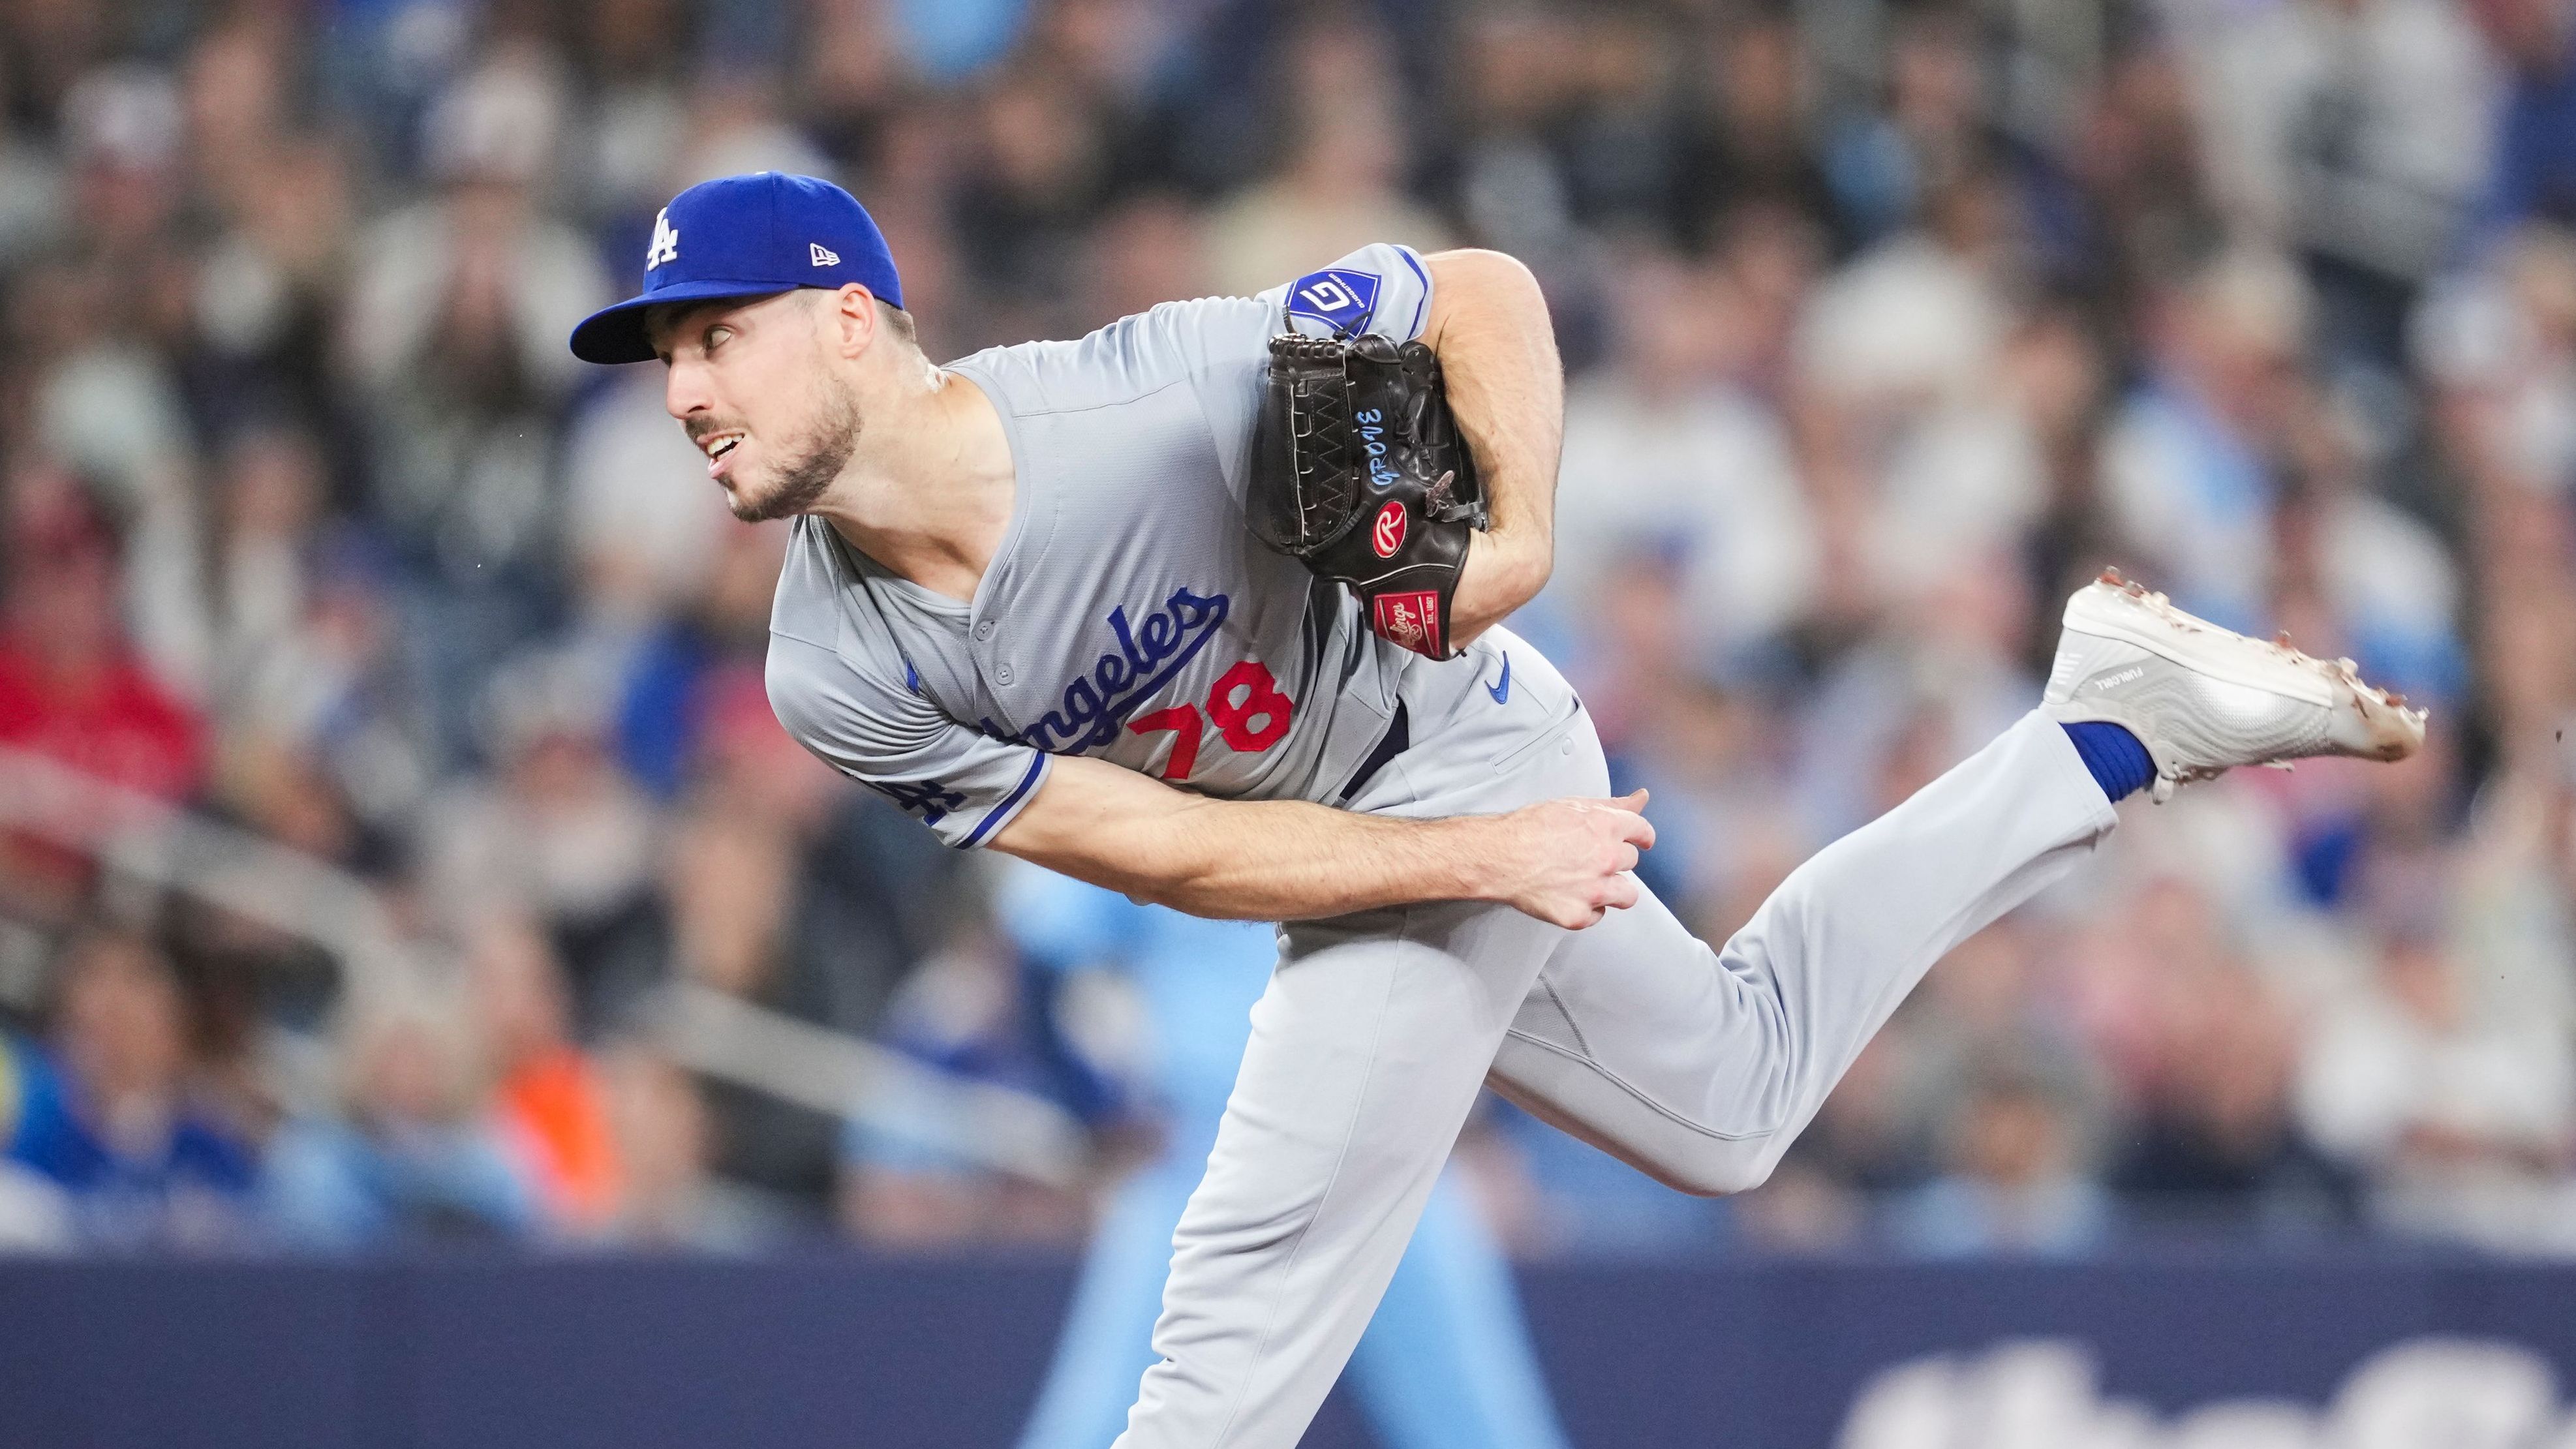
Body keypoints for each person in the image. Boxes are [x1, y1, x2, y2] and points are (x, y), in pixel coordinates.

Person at [566, 172, 2427, 1448]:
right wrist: (1482, 863)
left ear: (852, 316)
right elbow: (1163, 849)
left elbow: (1477, 291)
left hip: (1445, 737)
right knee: (1729, 1100)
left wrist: (1519, 534)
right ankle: (2098, 730)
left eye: (713, 334)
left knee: (1228, 1330)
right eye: (663, 356)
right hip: (1387, 834)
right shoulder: (828, 661)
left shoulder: (1136, 399)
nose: (683, 387)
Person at [995, 862, 1569, 1449]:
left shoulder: (1401, 789)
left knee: (1482, 1429)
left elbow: (1515, 950)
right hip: (1207, 1158)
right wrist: (1095, 1112)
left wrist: (1495, 1126)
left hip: (1386, 1156)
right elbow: (1039, 945)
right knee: (1103, 1425)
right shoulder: (1166, 782)